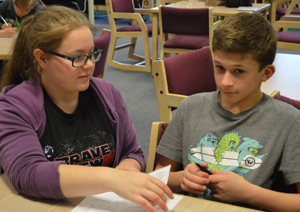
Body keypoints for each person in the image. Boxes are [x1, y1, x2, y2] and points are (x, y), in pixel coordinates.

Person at [0, 6, 173, 212]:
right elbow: (28, 172)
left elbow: (132, 153)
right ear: (42, 59)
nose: (90, 65)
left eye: (92, 54)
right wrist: (113, 178)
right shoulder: (15, 106)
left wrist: (127, 172)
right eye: (77, 57)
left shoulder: (107, 94)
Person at [155, 12, 300, 211]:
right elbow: (159, 175)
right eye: (219, 68)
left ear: (266, 73)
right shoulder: (190, 108)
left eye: (238, 71)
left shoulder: (289, 121)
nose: (225, 82)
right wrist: (181, 179)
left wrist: (248, 193)